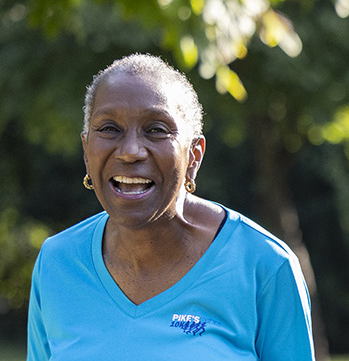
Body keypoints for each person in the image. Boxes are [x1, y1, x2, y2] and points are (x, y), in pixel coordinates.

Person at [27, 54, 314, 361]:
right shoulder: (56, 262)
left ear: (194, 156)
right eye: (110, 129)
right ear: (86, 150)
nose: (131, 151)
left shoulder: (265, 265)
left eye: (156, 130)